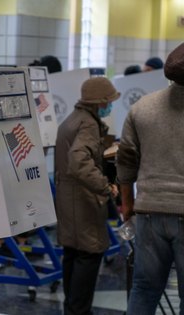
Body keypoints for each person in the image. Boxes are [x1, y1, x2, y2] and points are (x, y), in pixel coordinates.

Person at [118, 43, 184, 314]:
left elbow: (124, 161)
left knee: (144, 290)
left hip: (147, 213)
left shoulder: (141, 107)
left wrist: (128, 204)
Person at [55, 77, 120, 315]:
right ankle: (78, 311)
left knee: (73, 253)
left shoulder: (72, 120)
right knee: (90, 253)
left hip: (69, 200)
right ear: (98, 103)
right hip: (83, 201)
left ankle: (73, 310)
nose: (110, 106)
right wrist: (105, 186)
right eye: (109, 101)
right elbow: (78, 160)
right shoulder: (88, 124)